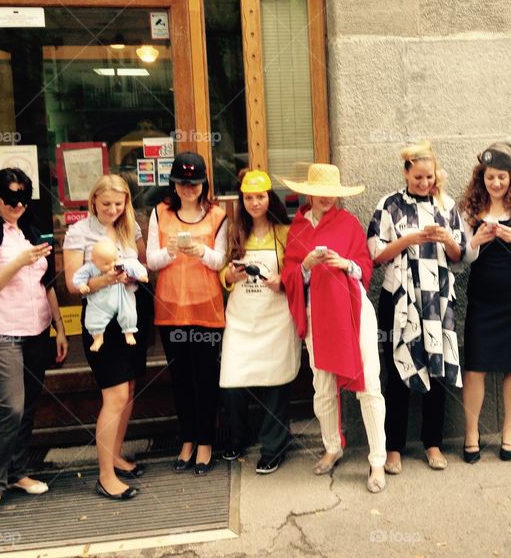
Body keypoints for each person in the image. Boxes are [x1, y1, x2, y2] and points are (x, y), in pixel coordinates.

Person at [0, 168, 69, 518]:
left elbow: (46, 284)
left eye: (24, 197)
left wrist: (60, 327)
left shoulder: (31, 232)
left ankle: (18, 472)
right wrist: (19, 261)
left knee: (29, 405)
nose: (17, 204)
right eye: (10, 198)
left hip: (35, 331)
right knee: (11, 408)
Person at [280, 163, 387, 493]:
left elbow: (366, 267)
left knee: (368, 384)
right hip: (317, 317)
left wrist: (347, 264)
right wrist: (307, 268)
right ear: (309, 194)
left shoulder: (349, 224)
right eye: (320, 193)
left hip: (353, 313)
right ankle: (332, 446)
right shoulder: (296, 228)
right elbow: (288, 275)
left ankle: (378, 460)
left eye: (332, 194)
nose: (327, 199)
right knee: (323, 385)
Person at [368, 141, 465, 474]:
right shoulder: (389, 205)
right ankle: (394, 447)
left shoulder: (447, 205)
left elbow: (460, 255)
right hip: (399, 301)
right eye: (418, 177)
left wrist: (446, 240)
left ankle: (432, 442)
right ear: (406, 172)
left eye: (429, 177)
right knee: (397, 370)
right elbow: (375, 256)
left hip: (436, 300)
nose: (425, 183)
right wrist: (409, 240)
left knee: (435, 369)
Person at [64, 174, 149, 500]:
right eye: (106, 204)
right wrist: (107, 279)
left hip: (130, 315)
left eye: (119, 203)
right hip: (101, 322)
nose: (112, 209)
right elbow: (73, 284)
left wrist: (134, 273)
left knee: (128, 390)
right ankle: (105, 476)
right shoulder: (78, 232)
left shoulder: (132, 228)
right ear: (93, 202)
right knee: (113, 396)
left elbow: (142, 267)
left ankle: (114, 455)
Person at [146, 152, 228, 475]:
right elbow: (150, 260)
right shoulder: (159, 213)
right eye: (182, 182)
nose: (188, 188)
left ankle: (206, 442)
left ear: (204, 183)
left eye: (194, 183)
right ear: (174, 184)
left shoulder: (218, 215)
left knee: (206, 379)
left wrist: (202, 252)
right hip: (171, 309)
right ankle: (187, 440)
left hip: (206, 308)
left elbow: (221, 260)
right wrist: (170, 252)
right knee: (180, 379)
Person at [459, 142, 511, 462]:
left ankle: (509, 431)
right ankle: (471, 433)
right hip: (482, 297)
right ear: (483, 177)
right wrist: (476, 241)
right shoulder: (469, 210)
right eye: (491, 177)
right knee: (476, 366)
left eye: (502, 178)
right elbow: (464, 258)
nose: (496, 183)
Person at [219, 170, 300, 475]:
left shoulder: (285, 232)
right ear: (242, 200)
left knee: (276, 381)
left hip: (276, 316)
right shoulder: (234, 231)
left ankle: (273, 445)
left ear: (270, 198)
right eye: (249, 197)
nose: (255, 203)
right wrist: (229, 275)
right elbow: (221, 270)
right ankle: (238, 437)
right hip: (241, 318)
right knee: (232, 380)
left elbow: (295, 271)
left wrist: (283, 282)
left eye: (260, 197)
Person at [74, 238, 148, 352]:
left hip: (121, 295)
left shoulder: (121, 263)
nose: (112, 264)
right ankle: (98, 337)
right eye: (106, 263)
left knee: (129, 311)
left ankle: (129, 332)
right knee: (94, 317)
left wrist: (141, 275)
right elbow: (79, 276)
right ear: (94, 261)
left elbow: (134, 265)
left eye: (114, 259)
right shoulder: (90, 268)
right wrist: (81, 285)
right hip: (100, 300)